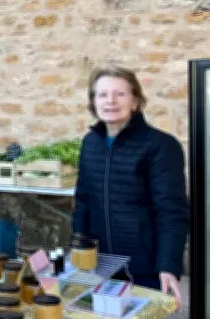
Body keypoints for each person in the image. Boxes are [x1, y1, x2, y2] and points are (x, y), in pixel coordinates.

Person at [72, 66, 188, 309]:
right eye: (102, 95)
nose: (110, 101)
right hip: (99, 263)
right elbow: (83, 199)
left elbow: (172, 211)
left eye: (120, 94)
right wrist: (78, 250)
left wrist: (168, 266)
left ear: (136, 101)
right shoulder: (90, 143)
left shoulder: (160, 145)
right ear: (94, 102)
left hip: (145, 266)